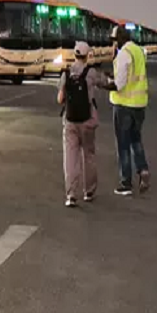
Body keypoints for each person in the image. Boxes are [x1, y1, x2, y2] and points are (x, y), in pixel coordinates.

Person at [57, 41, 112, 207]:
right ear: (87, 55)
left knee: (70, 158)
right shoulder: (91, 73)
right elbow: (106, 83)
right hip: (88, 121)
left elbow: (60, 99)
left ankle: (71, 194)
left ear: (74, 55)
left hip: (70, 121)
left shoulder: (66, 73)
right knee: (88, 155)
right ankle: (89, 191)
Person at [108, 25, 150, 195]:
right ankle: (143, 169)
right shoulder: (138, 50)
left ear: (119, 39)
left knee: (123, 144)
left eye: (114, 41)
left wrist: (105, 83)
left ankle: (126, 182)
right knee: (136, 140)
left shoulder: (124, 53)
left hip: (124, 105)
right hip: (140, 104)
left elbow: (120, 84)